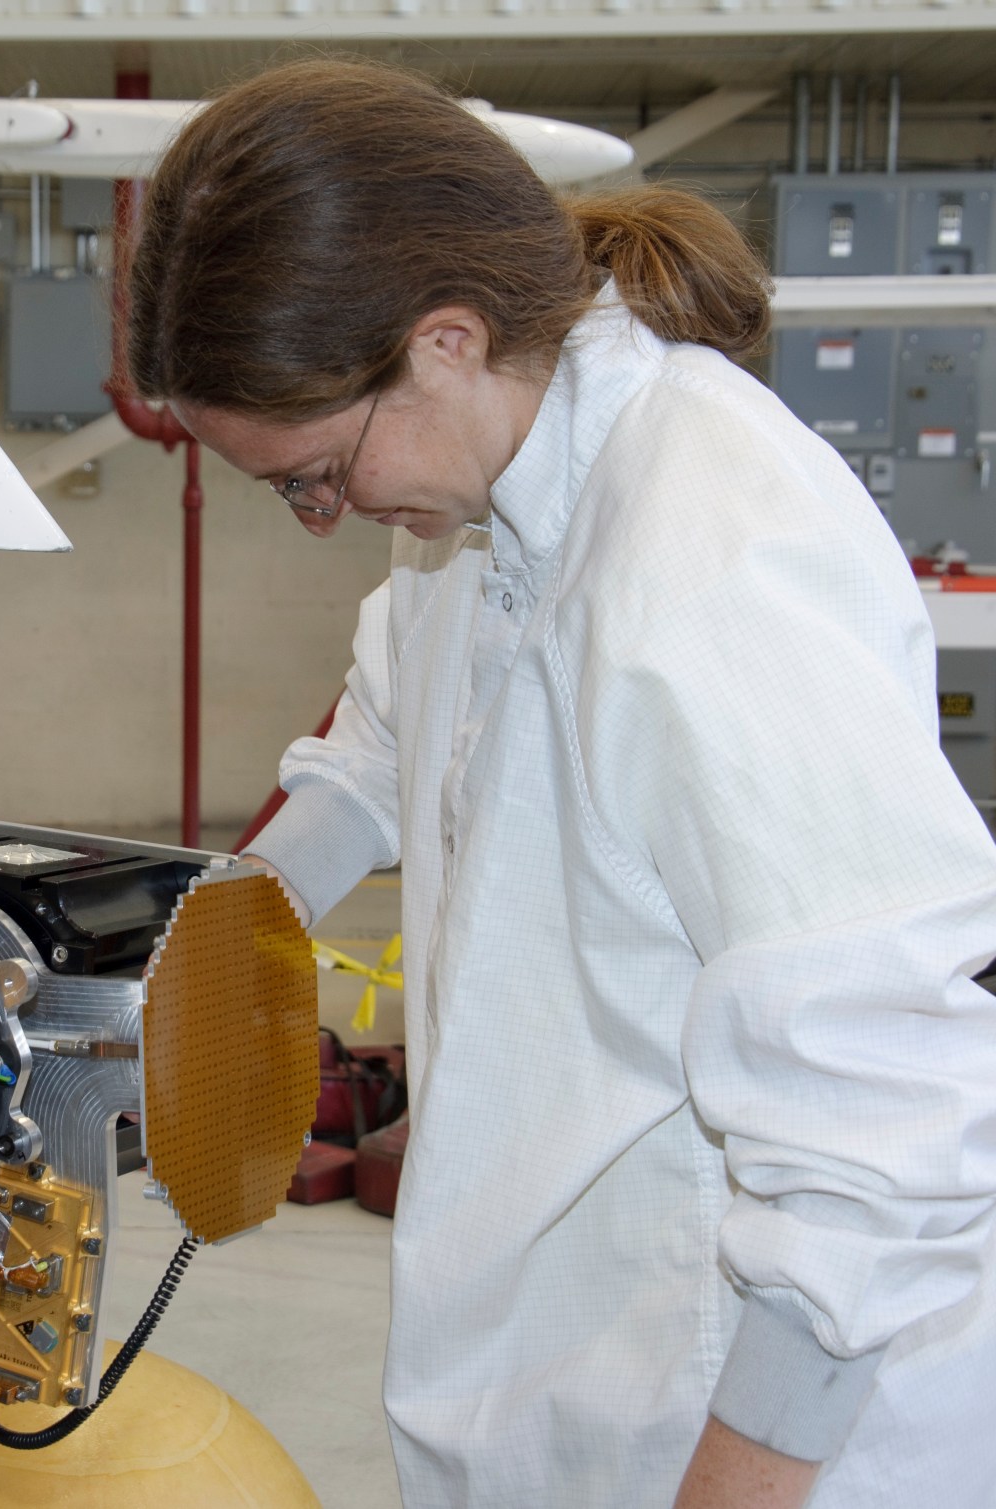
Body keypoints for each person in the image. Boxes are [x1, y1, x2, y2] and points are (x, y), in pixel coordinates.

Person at [126, 59, 996, 1509]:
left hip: (741, 1432)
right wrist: (175, 956)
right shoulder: (470, 499)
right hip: (547, 1365)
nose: (328, 520)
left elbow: (883, 1128)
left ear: (446, 340)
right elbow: (375, 746)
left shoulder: (714, 563)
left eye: (315, 476)